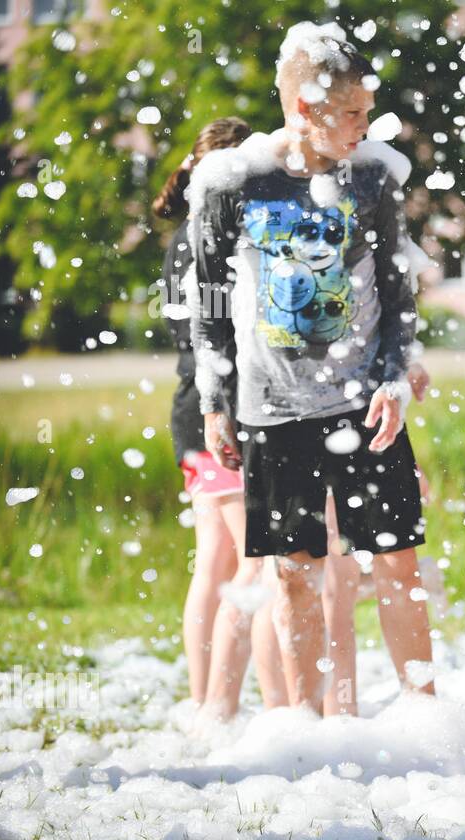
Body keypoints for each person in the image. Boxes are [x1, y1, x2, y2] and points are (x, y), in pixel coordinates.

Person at [190, 21, 434, 717]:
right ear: (304, 108)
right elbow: (207, 302)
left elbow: (398, 294)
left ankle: (426, 714)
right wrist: (216, 400)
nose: (366, 124)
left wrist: (393, 378)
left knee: (397, 565)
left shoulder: (372, 177)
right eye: (353, 112)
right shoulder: (235, 182)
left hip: (364, 403)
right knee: (295, 575)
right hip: (273, 409)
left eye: (367, 111)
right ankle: (305, 726)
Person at [153, 116, 288, 712]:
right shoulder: (213, 235)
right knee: (259, 567)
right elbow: (226, 333)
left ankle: (205, 700)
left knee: (215, 562)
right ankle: (235, 708)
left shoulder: (180, 236)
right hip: (222, 408)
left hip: (192, 405)